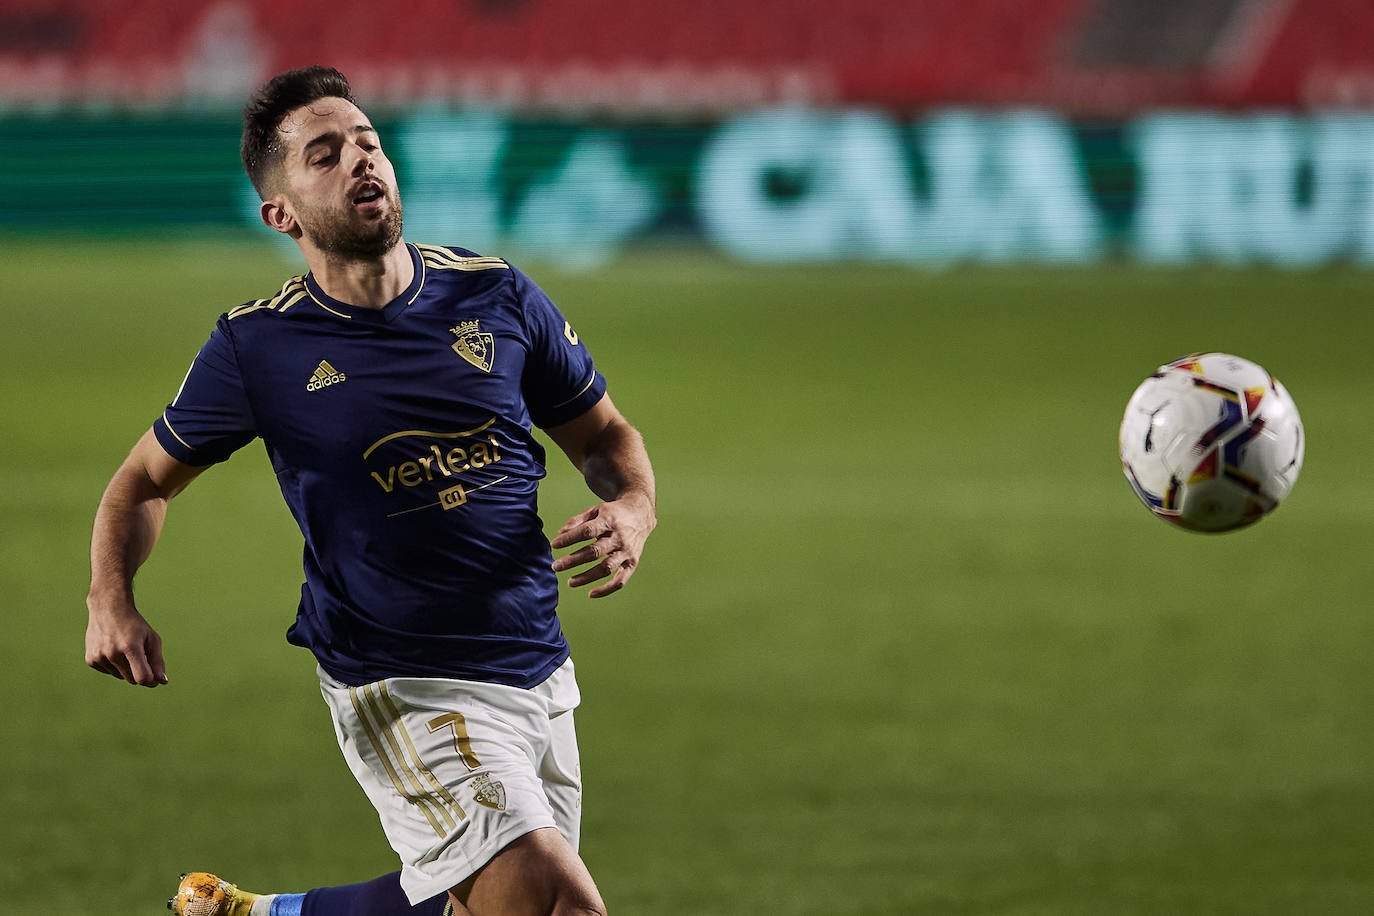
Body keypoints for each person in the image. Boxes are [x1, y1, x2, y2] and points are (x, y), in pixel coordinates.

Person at [84, 65, 656, 916]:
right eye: (324, 155)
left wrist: (635, 508)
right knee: (555, 904)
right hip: (403, 682)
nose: (361, 161)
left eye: (368, 142)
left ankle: (251, 913)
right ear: (281, 213)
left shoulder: (495, 292)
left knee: (482, 901)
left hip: (535, 662)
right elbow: (139, 484)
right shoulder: (258, 347)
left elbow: (606, 437)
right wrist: (110, 598)